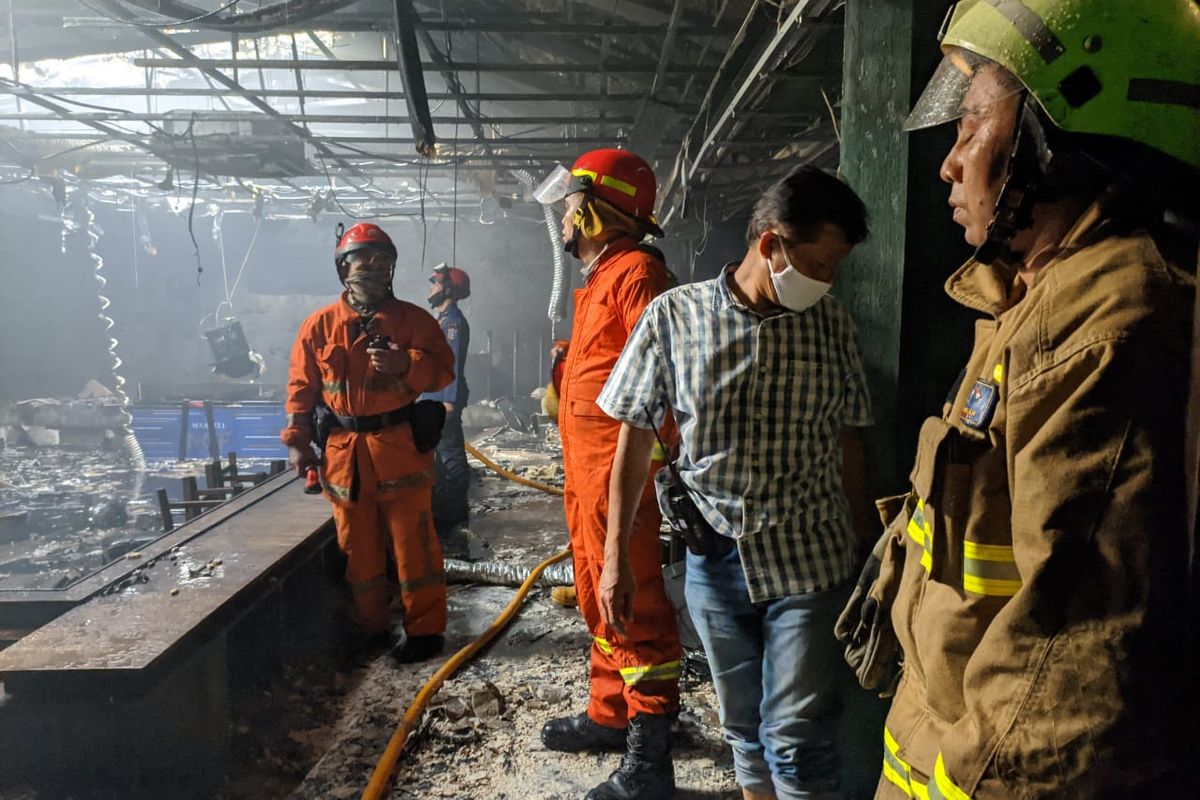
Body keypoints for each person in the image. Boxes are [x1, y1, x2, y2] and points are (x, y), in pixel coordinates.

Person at [835, 1, 1200, 797]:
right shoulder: (1031, 298)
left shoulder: (1112, 318)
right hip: (942, 734)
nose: (949, 160)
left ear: (1056, 141)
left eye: (972, 126)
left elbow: (1070, 672)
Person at [598, 165, 876, 800]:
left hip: (810, 556)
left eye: (836, 268)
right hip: (716, 562)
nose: (827, 280)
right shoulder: (674, 317)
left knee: (797, 736)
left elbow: (848, 437)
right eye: (820, 263)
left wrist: (865, 541)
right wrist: (617, 555)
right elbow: (634, 442)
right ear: (770, 242)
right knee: (744, 729)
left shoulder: (831, 325)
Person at [532, 148, 681, 800]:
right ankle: (610, 713)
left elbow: (666, 384)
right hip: (586, 472)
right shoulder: (603, 277)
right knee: (598, 594)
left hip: (619, 475)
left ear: (595, 207)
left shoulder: (637, 275)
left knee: (635, 602)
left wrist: (644, 476)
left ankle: (650, 757)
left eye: (570, 204)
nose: (564, 215)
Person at [282, 222, 456, 663]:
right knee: (356, 549)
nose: (376, 267)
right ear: (344, 267)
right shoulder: (319, 326)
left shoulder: (413, 321)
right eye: (365, 259)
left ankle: (424, 633)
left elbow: (443, 371)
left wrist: (405, 363)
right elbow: (301, 388)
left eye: (384, 260)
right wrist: (297, 441)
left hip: (399, 448)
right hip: (344, 455)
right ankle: (370, 627)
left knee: (413, 545)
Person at [422, 263, 473, 544]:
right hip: (434, 399)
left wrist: (450, 403)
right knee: (441, 460)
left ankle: (454, 521)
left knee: (451, 460)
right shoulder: (442, 320)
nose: (431, 288)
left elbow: (451, 364)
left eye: (436, 283)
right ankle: (445, 515)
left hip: (444, 401)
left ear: (449, 289)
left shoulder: (452, 322)